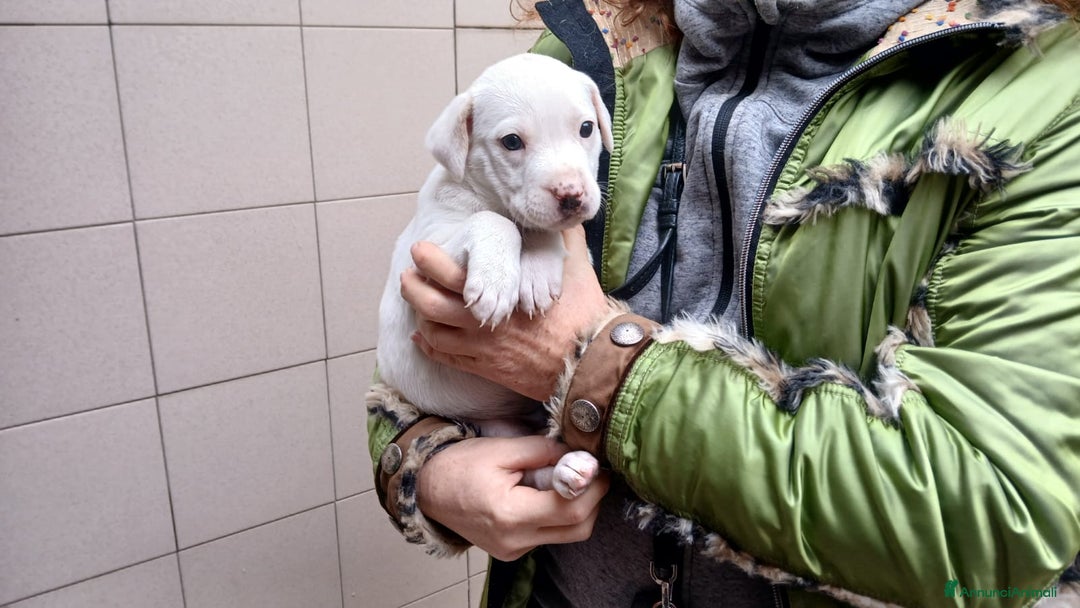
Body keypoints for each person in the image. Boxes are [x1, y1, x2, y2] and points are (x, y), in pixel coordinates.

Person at [366, 0, 1080, 606]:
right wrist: (425, 466)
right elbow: (423, 323)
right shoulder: (601, 39)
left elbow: (997, 522)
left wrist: (596, 361)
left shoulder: (1042, 89)